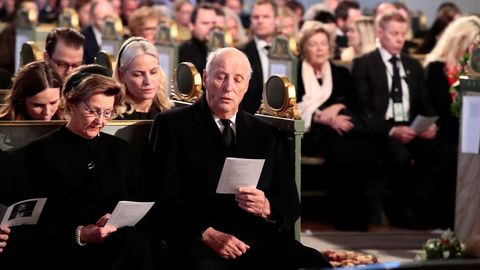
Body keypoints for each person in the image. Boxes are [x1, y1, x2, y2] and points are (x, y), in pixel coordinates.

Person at [147, 47, 331, 270]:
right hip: (199, 236)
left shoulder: (267, 134)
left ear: (247, 85)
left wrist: (267, 207)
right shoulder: (172, 124)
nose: (228, 87)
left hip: (256, 235)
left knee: (315, 263)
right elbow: (163, 198)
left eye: (237, 79)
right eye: (221, 77)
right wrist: (207, 233)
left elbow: (290, 203)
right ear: (206, 78)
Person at [22, 65, 159, 269]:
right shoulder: (39, 153)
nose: (100, 121)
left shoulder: (121, 151)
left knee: (138, 243)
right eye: (92, 111)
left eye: (107, 113)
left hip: (121, 244)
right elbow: (32, 219)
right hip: (65, 251)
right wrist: (80, 234)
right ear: (72, 104)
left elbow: (139, 203)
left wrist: (116, 220)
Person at [351, 11, 457, 229]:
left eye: (403, 34)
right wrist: (391, 130)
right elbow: (363, 110)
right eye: (394, 34)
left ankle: (424, 212)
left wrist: (431, 125)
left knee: (447, 153)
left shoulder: (413, 65)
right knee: (398, 155)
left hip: (413, 129)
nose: (400, 39)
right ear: (380, 34)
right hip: (382, 131)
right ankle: (400, 212)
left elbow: (425, 103)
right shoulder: (364, 64)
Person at [296, 21, 378, 230]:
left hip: (342, 127)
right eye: (314, 44)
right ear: (304, 47)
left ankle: (361, 218)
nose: (320, 48)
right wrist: (319, 116)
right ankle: (344, 217)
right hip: (310, 133)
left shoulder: (341, 73)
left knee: (363, 148)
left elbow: (356, 103)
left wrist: (338, 108)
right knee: (342, 151)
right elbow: (291, 105)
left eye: (324, 43)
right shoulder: (295, 72)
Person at [424, 16, 480, 144]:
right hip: (447, 137)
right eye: (472, 47)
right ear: (458, 42)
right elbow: (441, 114)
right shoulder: (436, 68)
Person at [114, 37, 172, 120]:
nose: (148, 81)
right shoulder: (110, 116)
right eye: (138, 74)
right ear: (122, 75)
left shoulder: (171, 113)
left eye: (153, 72)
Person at [241, 0, 277, 114]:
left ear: (276, 20)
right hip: (252, 119)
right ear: (251, 20)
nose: (260, 21)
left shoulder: (289, 52)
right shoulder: (242, 53)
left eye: (265, 16)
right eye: (256, 17)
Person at [178, 2, 217, 73]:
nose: (211, 27)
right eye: (205, 23)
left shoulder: (225, 50)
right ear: (191, 25)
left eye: (214, 23)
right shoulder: (181, 52)